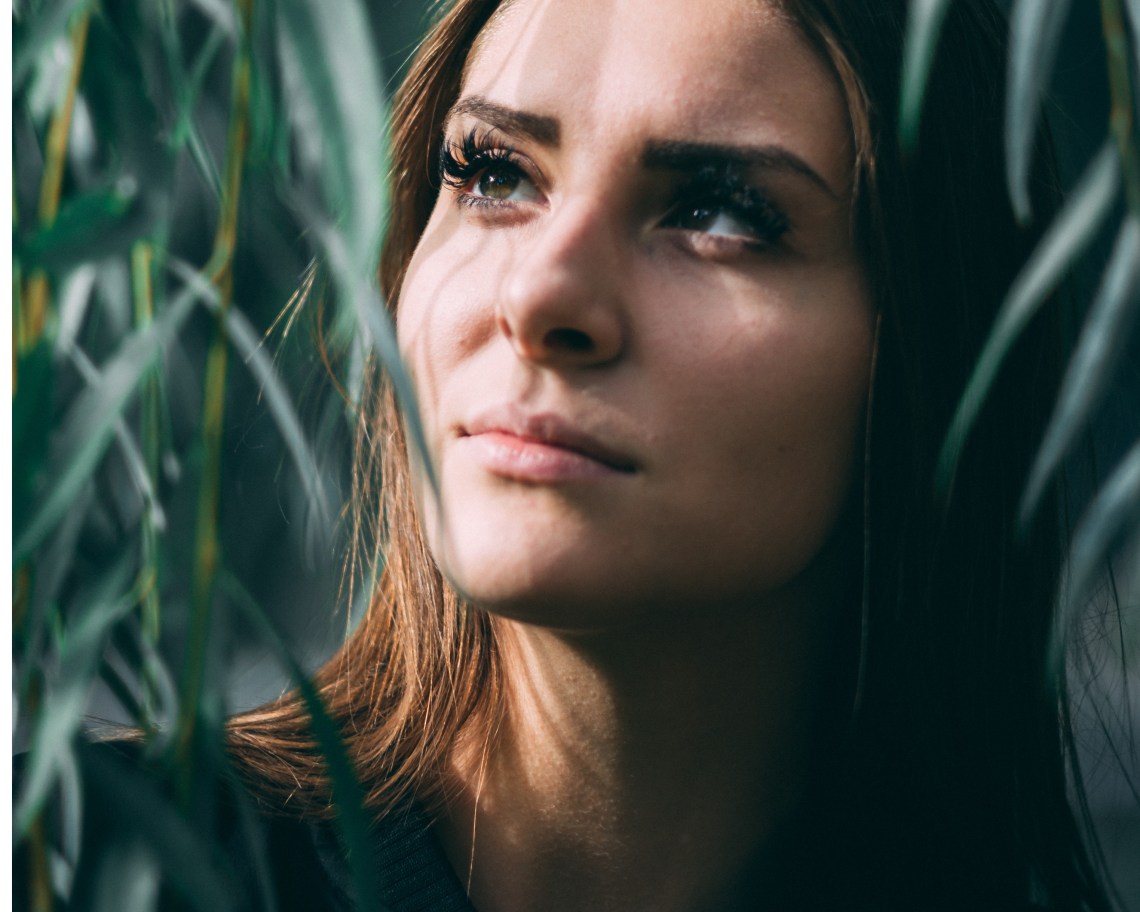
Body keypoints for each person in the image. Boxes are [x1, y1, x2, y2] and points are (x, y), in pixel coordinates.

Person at [96, 0, 1113, 909]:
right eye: (492, 173)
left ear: (937, 346)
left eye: (720, 212)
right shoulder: (76, 864)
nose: (540, 297)